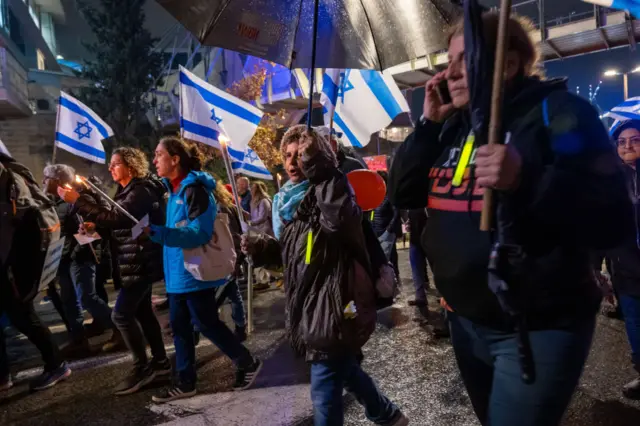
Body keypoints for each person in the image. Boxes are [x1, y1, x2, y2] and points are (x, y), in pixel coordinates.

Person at [388, 12, 631, 426]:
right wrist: (428, 124)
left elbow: (612, 220)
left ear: (510, 63)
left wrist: (525, 179)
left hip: (536, 328)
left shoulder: (560, 114)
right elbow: (402, 193)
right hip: (464, 322)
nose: (451, 73)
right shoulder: (454, 127)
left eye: (467, 59)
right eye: (449, 61)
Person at [243, 125, 408, 426]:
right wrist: (262, 248)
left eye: (302, 155)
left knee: (324, 391)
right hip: (306, 305)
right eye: (288, 155)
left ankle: (386, 413)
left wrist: (324, 170)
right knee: (345, 369)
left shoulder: (333, 191)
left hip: (332, 306)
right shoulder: (286, 202)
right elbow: (290, 258)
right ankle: (386, 413)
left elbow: (338, 222)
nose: (293, 162)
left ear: (317, 157)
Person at [149, 136, 262, 404]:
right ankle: (186, 382)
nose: (154, 160)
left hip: (194, 275)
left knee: (207, 324)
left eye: (158, 154)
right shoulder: (173, 190)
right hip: (178, 276)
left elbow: (199, 234)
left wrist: (157, 233)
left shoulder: (194, 190)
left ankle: (248, 362)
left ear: (175, 159)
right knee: (181, 329)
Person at [58, 147, 170, 396]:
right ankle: (160, 363)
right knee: (143, 314)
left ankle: (142, 367)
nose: (110, 168)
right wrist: (96, 225)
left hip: (141, 260)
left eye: (115, 163)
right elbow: (117, 222)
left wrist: (79, 201)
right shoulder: (126, 190)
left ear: (130, 166)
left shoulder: (140, 189)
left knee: (121, 316)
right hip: (132, 260)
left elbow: (121, 219)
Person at [0, 154, 71, 391]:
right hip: (16, 259)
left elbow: (10, 222)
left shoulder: (7, 175)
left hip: (12, 262)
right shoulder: (13, 170)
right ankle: (3, 374)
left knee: (23, 315)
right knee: (20, 315)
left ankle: (56, 363)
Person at [43, 164, 117, 355]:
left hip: (80, 257)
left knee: (87, 297)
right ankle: (79, 340)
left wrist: (76, 252)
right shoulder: (57, 201)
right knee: (69, 299)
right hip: (65, 257)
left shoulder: (75, 199)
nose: (43, 181)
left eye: (46, 177)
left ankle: (121, 328)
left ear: (57, 180)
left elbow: (91, 230)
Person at [602, 120, 640, 399]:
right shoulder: (610, 179)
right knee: (636, 326)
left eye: (635, 140)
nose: (628, 146)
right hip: (626, 271)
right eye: (622, 141)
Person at [213, 180, 247, 341]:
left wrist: (235, 259)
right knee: (233, 294)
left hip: (225, 259)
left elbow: (232, 235)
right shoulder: (228, 205)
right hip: (228, 258)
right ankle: (240, 327)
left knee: (221, 297)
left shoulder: (220, 208)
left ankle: (237, 328)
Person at [371, 171, 401, 282]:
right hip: (376, 230)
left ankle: (395, 277)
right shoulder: (375, 194)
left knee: (391, 255)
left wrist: (389, 229)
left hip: (387, 232)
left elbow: (396, 213)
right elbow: (373, 212)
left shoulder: (390, 195)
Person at [407, 208, 432, 307]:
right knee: (416, 269)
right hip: (415, 240)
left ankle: (447, 297)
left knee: (437, 268)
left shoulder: (428, 201)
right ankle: (420, 297)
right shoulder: (412, 204)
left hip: (430, 240)